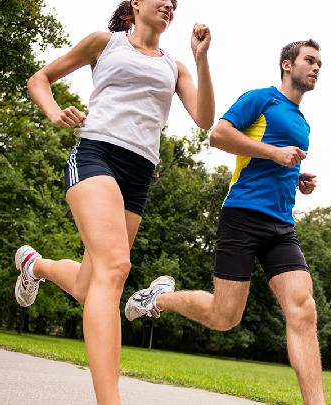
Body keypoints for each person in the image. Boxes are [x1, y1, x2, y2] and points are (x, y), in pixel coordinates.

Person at [13, 1, 214, 404]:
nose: (169, 5)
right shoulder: (105, 44)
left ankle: (35, 265)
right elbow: (40, 79)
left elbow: (205, 119)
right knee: (116, 268)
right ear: (135, 3)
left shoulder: (175, 67)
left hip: (139, 175)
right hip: (96, 155)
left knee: (93, 287)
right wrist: (53, 113)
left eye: (175, 3)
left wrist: (201, 59)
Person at [125, 39, 325, 405]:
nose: (316, 68)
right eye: (309, 60)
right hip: (243, 216)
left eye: (319, 64)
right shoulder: (261, 98)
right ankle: (160, 298)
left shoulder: (302, 122)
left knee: (304, 308)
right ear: (286, 64)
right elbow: (218, 135)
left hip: (282, 226)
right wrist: (275, 153)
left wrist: (296, 176)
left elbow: (273, 162)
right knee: (224, 316)